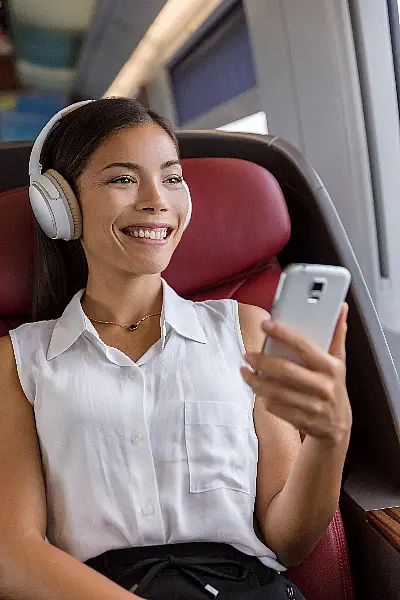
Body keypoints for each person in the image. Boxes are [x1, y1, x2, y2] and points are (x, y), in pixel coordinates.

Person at [0, 98, 352, 600]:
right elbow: (13, 557)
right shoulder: (17, 360)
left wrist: (329, 438)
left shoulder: (247, 330)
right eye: (123, 179)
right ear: (59, 205)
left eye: (171, 177)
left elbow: (289, 542)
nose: (156, 200)